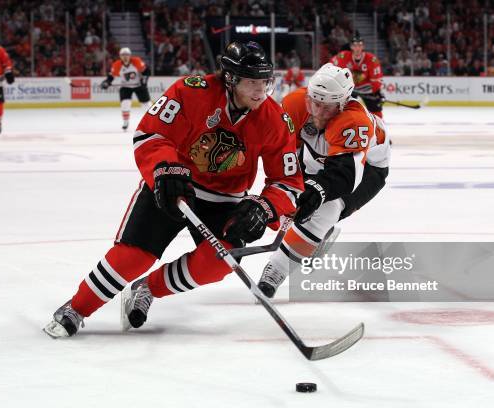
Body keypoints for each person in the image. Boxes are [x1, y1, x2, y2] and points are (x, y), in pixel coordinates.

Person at [44, 41, 304, 338]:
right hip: (176, 184)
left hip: (225, 200)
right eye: (252, 82)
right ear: (230, 78)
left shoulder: (275, 119)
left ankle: (147, 288)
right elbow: (151, 134)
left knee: (218, 264)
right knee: (133, 257)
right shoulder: (190, 91)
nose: (261, 90)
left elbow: (287, 182)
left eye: (264, 82)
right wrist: (166, 168)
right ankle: (76, 308)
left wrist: (265, 206)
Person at [256, 63, 391, 298]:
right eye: (313, 103)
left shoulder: (354, 121)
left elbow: (346, 176)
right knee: (302, 202)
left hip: (367, 169)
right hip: (320, 157)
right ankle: (311, 239)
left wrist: (317, 191)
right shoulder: (295, 104)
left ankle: (276, 270)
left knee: (329, 209)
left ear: (341, 104)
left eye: (325, 107)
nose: (317, 112)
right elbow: (286, 151)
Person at [330, 33, 385, 118]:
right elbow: (330, 68)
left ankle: (379, 130)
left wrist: (377, 92)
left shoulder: (372, 60)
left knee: (376, 111)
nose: (357, 48)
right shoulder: (343, 56)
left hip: (367, 91)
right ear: (351, 47)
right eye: (355, 45)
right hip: (349, 89)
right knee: (341, 110)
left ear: (363, 47)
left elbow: (377, 81)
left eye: (360, 45)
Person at [101, 47, 151, 130]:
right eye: (123, 55)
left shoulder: (136, 61)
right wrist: (106, 82)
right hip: (125, 86)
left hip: (139, 85)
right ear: (120, 56)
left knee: (146, 105)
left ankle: (154, 120)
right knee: (125, 103)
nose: (125, 57)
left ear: (130, 55)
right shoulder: (117, 64)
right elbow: (111, 76)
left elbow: (146, 71)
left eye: (127, 55)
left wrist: (144, 81)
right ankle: (125, 121)